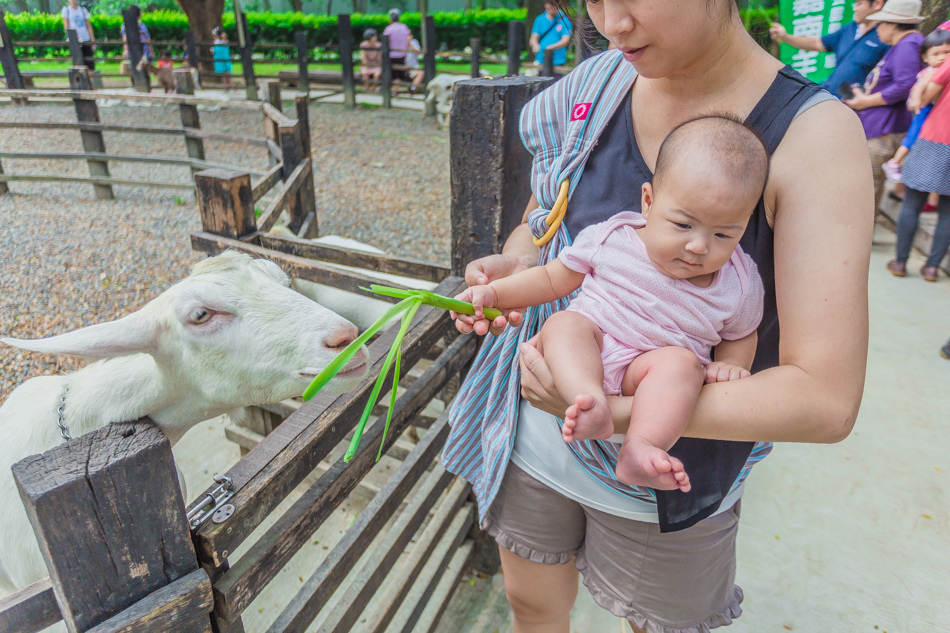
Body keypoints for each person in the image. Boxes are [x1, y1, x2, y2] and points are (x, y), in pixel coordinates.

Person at [443, 0, 872, 631]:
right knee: (531, 604)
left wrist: (608, 415)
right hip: (535, 430)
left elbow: (825, 400)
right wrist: (516, 264)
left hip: (668, 473)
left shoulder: (813, 136)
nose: (610, 24)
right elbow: (543, 224)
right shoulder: (599, 81)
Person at [458, 115, 768, 492]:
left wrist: (732, 365)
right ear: (649, 201)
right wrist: (496, 295)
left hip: (650, 380)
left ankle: (640, 447)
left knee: (682, 364)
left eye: (723, 233)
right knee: (564, 324)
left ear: (744, 223)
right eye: (683, 225)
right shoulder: (613, 238)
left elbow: (742, 332)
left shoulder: (739, 281)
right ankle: (588, 399)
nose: (699, 246)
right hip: (592, 348)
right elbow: (553, 278)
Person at [843, 0, 924, 212]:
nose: (877, 29)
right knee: (868, 185)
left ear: (893, 24)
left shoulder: (908, 44)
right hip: (881, 127)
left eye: (880, 24)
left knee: (867, 186)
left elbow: (905, 85)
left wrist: (865, 102)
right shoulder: (903, 45)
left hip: (886, 131)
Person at [886, 29, 950, 283]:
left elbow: (920, 100)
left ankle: (900, 262)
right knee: (948, 211)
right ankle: (932, 267)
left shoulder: (943, 66)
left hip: (934, 138)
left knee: (912, 202)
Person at [769, 0, 888, 99]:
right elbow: (818, 43)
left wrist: (868, 101)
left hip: (858, 107)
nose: (854, 8)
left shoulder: (886, 35)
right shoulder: (850, 29)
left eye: (859, 3)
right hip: (829, 96)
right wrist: (785, 37)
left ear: (877, 4)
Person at [882, 29, 950, 182]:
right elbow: (920, 86)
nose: (942, 57)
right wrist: (916, 100)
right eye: (936, 54)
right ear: (925, 57)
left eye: (947, 52)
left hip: (928, 107)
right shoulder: (932, 71)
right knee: (913, 136)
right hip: (924, 108)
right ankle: (894, 162)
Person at [529, 0, 573, 67]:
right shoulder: (539, 19)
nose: (551, 11)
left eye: (553, 9)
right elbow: (533, 38)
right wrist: (535, 45)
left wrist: (550, 48)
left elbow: (565, 40)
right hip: (541, 60)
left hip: (557, 61)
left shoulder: (565, 20)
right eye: (548, 9)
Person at [61, 0, 96, 71]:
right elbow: (66, 26)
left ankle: (90, 81)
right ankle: (81, 80)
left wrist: (92, 40)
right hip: (75, 40)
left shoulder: (83, 10)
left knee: (89, 63)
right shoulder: (66, 10)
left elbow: (88, 26)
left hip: (85, 38)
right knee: (78, 63)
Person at [383, 9, 412, 85]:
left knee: (394, 74)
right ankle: (397, 90)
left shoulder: (388, 29)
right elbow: (408, 39)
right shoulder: (404, 27)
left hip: (392, 55)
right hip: (402, 54)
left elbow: (385, 41)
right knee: (400, 73)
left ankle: (395, 91)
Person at [359, 29, 382, 93]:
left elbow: (379, 57)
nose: (375, 38)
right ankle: (367, 89)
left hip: (375, 64)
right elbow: (363, 57)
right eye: (373, 36)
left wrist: (379, 65)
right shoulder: (363, 45)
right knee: (365, 73)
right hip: (366, 64)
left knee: (377, 74)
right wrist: (366, 65)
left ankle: (373, 89)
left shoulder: (378, 45)